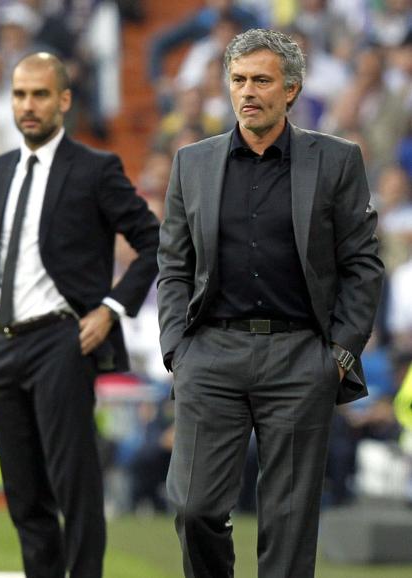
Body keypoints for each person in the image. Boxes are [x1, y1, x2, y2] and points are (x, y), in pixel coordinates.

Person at [157, 28, 384, 578]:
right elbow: (174, 265)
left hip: (300, 358)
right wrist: (176, 350)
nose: (248, 92)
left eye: (261, 80)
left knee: (288, 524)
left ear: (292, 90)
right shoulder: (192, 162)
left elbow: (363, 264)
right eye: (238, 80)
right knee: (195, 507)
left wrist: (338, 356)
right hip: (209, 354)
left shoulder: (336, 161)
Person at [0, 52, 159, 578]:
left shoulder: (95, 168)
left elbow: (154, 243)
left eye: (39, 95)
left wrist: (111, 309)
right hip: (0, 347)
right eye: (19, 95)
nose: (27, 106)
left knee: (73, 484)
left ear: (64, 100)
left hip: (62, 338)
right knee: (24, 494)